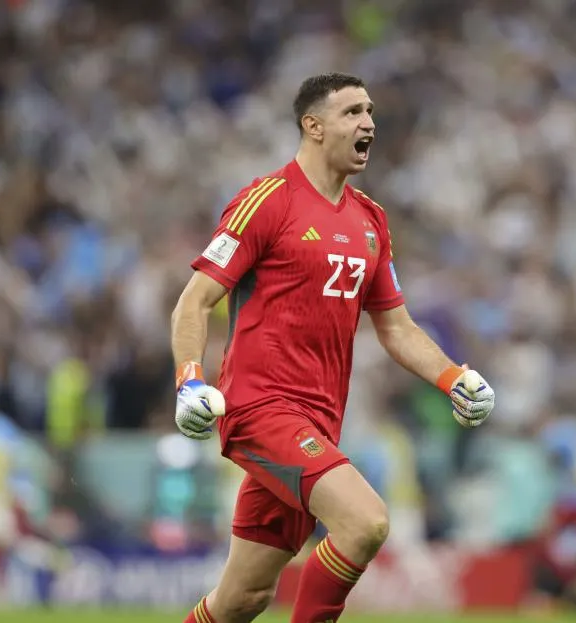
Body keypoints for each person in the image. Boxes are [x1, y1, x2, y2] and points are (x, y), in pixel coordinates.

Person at [170, 73, 495, 623]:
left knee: (241, 600)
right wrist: (190, 381)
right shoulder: (266, 200)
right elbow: (193, 303)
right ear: (313, 126)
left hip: (318, 423)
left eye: (369, 112)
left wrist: (453, 378)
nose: (368, 122)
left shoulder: (371, 220)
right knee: (365, 522)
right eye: (352, 112)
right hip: (260, 408)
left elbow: (397, 328)